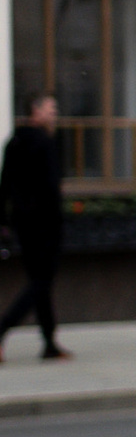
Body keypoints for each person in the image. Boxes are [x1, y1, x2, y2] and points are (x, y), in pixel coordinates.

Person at [0, 91, 68, 362]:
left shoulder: (14, 142)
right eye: (51, 110)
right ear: (35, 111)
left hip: (22, 223)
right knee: (41, 282)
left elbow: (4, 185)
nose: (54, 114)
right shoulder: (44, 143)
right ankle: (3, 328)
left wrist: (3, 221)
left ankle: (49, 343)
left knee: (40, 282)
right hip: (46, 223)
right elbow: (52, 188)